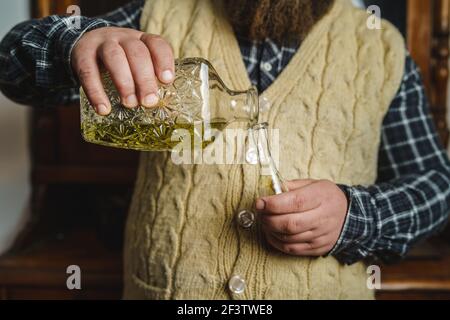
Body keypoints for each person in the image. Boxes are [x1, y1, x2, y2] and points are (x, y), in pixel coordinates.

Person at [1, 0, 449, 300]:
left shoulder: (381, 46)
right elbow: (11, 65)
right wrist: (74, 42)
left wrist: (356, 217)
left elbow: (437, 186)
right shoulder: (159, 12)